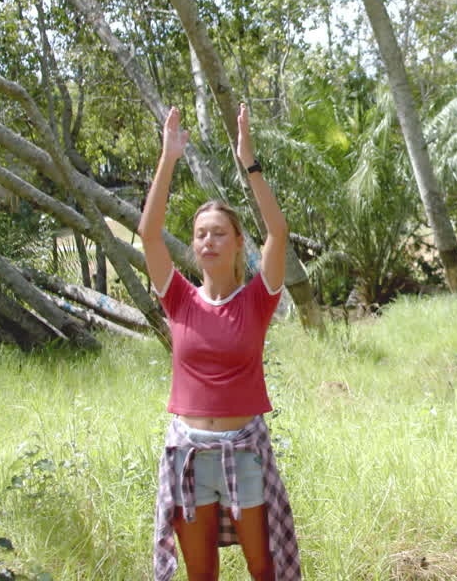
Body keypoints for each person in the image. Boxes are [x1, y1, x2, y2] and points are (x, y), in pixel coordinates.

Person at [138, 104, 301, 581]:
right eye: (200, 234)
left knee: (261, 566)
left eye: (219, 233)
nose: (208, 241)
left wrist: (247, 160)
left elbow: (278, 231)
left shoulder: (257, 299)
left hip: (244, 449)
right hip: (188, 451)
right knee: (201, 573)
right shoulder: (178, 298)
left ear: (236, 244)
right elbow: (148, 235)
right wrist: (168, 156)